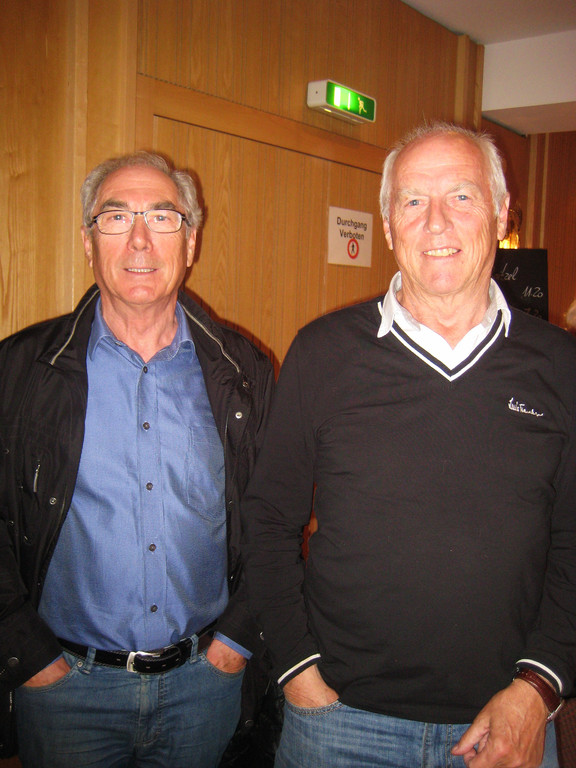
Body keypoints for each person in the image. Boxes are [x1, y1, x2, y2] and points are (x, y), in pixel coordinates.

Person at [242, 123, 576, 768]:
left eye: (462, 196)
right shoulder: (322, 353)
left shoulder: (560, 366)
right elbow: (267, 520)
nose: (436, 222)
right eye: (413, 200)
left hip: (505, 723)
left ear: (502, 213)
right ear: (390, 225)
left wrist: (538, 689)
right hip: (338, 724)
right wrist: (298, 673)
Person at [0, 151, 274, 767]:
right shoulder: (20, 371)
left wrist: (234, 644)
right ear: (88, 241)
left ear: (191, 241)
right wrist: (29, 656)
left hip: (205, 686)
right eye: (117, 217)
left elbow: (272, 522)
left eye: (163, 217)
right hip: (65, 691)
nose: (141, 240)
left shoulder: (244, 373)